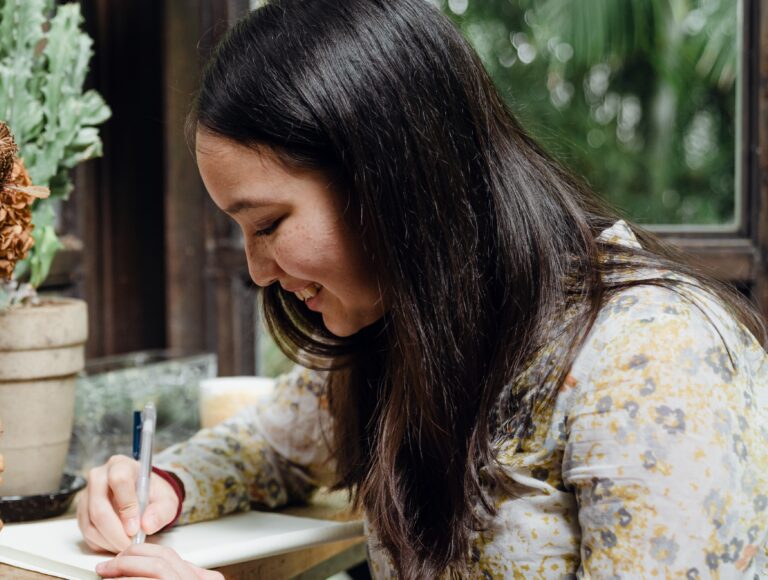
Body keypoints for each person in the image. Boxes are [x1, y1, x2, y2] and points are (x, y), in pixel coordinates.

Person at [76, 0, 768, 578]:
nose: (258, 270)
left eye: (270, 223)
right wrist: (162, 486)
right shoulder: (402, 329)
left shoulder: (653, 360)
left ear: (388, 180)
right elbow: (272, 447)